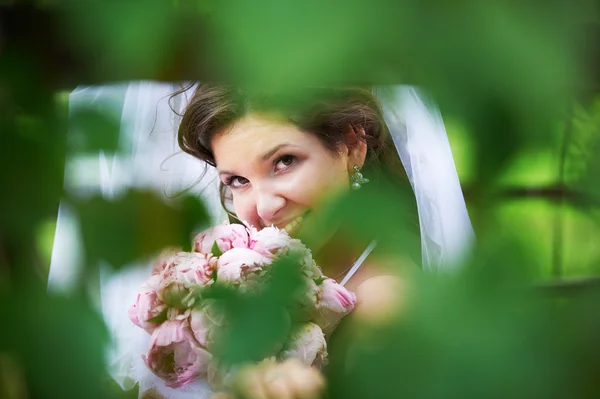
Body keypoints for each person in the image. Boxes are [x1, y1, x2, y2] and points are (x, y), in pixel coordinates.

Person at [49, 81, 474, 399]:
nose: (262, 207)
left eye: (284, 162)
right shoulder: (234, 263)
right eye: (237, 180)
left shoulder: (387, 298)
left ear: (352, 145)